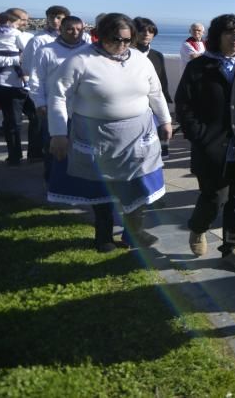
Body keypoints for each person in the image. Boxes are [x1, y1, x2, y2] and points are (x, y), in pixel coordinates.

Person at [47, 13, 172, 252]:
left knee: (138, 184)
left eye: (127, 40)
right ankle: (103, 236)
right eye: (116, 39)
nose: (122, 45)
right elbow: (58, 96)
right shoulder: (80, 59)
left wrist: (165, 121)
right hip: (96, 134)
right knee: (101, 187)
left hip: (138, 134)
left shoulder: (139, 59)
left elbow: (155, 92)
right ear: (101, 36)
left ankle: (134, 233)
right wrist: (58, 133)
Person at [175, 13, 235, 271]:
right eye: (229, 33)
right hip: (211, 146)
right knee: (214, 197)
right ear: (217, 36)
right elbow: (183, 104)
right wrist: (199, 135)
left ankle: (232, 247)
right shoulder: (200, 67)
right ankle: (198, 227)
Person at [29, 15, 88, 181]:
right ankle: (53, 180)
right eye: (70, 28)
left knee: (80, 146)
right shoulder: (46, 51)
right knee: (54, 145)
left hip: (82, 107)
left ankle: (77, 179)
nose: (75, 32)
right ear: (60, 29)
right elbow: (36, 79)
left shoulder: (89, 51)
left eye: (79, 29)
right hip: (53, 106)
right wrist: (40, 102)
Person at [0, 10, 33, 164]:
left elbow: (31, 57)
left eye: (26, 20)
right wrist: (15, 59)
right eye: (22, 19)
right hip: (6, 85)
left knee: (36, 117)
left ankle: (35, 153)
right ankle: (15, 156)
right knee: (13, 121)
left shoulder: (28, 36)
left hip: (28, 84)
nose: (25, 22)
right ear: (11, 21)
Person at [133, 17, 172, 107]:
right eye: (142, 31)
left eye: (151, 31)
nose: (147, 34)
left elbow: (162, 81)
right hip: (132, 105)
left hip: (153, 104)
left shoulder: (157, 55)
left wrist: (165, 102)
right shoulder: (125, 55)